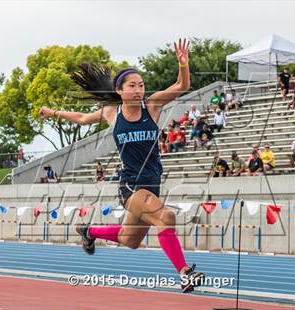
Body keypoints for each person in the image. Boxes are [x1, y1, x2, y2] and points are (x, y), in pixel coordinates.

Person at [39, 39, 205, 292]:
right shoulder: (111, 113)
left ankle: (89, 231)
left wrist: (183, 64)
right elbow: (83, 118)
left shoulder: (153, 106)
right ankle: (184, 273)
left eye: (141, 85)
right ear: (120, 90)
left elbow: (183, 85)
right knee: (167, 217)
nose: (139, 89)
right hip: (130, 185)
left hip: (152, 183)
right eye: (132, 85)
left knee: (131, 239)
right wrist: (54, 113)